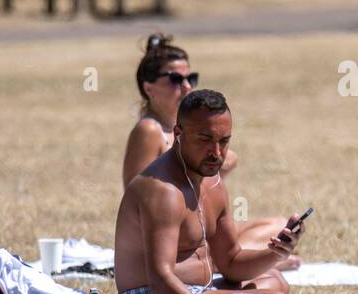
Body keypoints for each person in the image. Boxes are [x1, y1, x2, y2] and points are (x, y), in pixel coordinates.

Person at [112, 89, 304, 294]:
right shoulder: (163, 191)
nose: (217, 152)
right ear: (178, 134)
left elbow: (231, 262)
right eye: (205, 140)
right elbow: (160, 279)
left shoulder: (212, 182)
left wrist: (277, 253)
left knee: (276, 282)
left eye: (224, 141)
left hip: (199, 290)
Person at [123, 33, 297, 268]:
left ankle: (254, 257)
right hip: (171, 237)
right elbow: (137, 197)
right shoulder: (149, 130)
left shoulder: (184, 130)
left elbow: (231, 159)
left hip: (199, 224)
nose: (186, 87)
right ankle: (259, 260)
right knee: (268, 279)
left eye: (190, 78)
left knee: (278, 224)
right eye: (175, 80)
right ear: (149, 88)